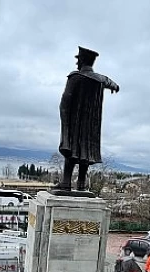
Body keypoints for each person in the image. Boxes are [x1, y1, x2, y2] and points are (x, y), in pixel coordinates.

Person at [52, 46, 120, 192]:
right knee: (85, 152)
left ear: (82, 61)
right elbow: (110, 82)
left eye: (78, 60)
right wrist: (115, 86)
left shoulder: (75, 77)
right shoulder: (100, 80)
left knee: (71, 149)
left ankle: (66, 183)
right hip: (91, 127)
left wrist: (65, 122)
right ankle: (81, 184)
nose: (76, 63)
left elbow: (65, 102)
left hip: (75, 123)